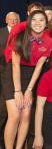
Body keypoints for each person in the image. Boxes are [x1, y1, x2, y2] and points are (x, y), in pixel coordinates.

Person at [1, 10, 52, 149]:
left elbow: (38, 67)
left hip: (31, 75)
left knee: (25, 115)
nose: (37, 23)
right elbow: (15, 65)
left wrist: (29, 89)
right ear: (29, 22)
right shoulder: (19, 36)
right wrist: (18, 91)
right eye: (34, 20)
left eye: (41, 20)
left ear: (46, 23)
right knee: (15, 115)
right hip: (13, 73)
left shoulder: (49, 41)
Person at [0, 12, 20, 148]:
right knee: (2, 110)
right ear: (6, 20)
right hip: (3, 75)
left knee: (13, 113)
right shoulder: (0, 33)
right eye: (11, 19)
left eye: (16, 19)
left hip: (18, 76)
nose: (13, 21)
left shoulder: (22, 33)